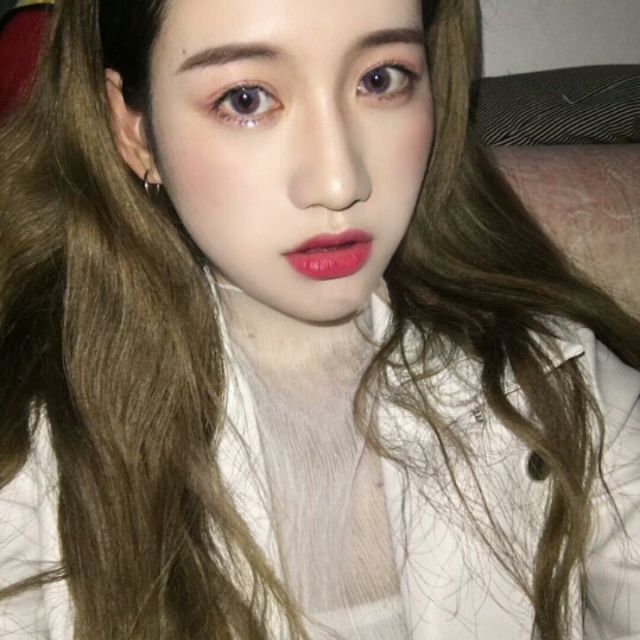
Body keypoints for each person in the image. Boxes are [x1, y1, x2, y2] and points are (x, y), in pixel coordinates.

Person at [0, 0, 639, 638]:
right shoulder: (26, 448)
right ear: (132, 129)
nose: (339, 183)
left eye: (381, 79)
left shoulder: (564, 378)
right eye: (246, 99)